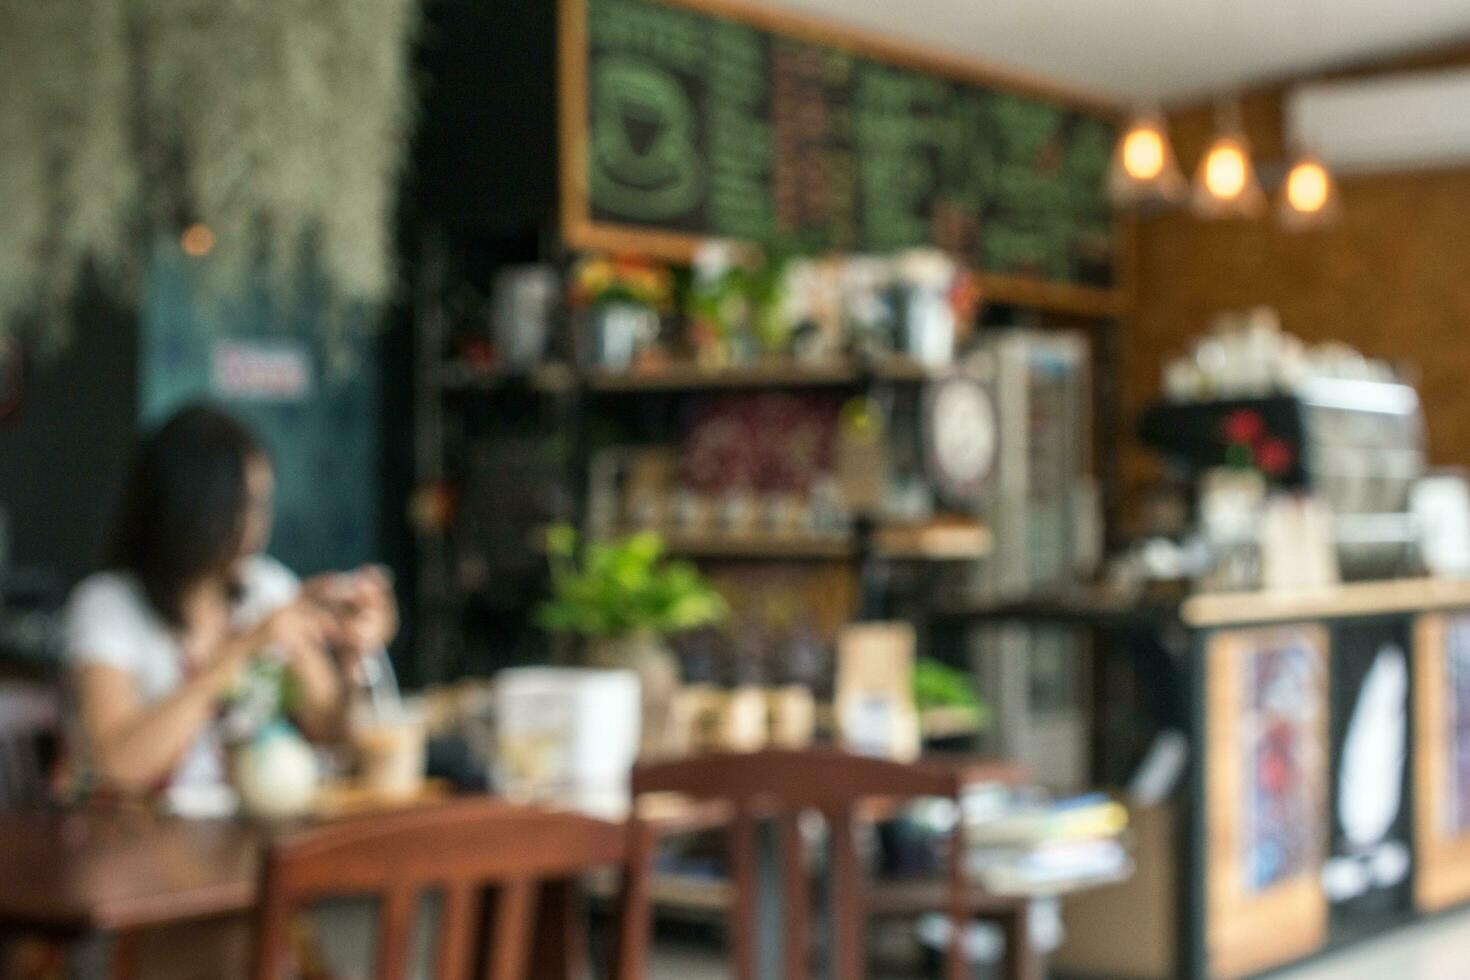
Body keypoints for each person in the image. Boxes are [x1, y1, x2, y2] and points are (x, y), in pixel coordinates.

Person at [64, 403, 398, 809]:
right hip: (132, 849)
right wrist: (243, 649)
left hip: (246, 842)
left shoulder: (265, 588)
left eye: (260, 505)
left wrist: (351, 656)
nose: (254, 526)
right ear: (189, 506)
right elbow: (118, 766)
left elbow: (332, 733)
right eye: (239, 506)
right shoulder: (107, 605)